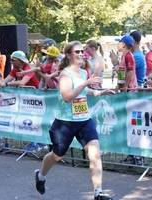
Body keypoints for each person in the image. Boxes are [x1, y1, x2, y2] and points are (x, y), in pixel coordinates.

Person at [34, 41, 113, 200]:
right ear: (69, 55)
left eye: (82, 51)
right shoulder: (65, 74)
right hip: (65, 123)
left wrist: (99, 93)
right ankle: (41, 175)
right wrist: (85, 83)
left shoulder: (83, 72)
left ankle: (98, 192)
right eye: (76, 51)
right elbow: (67, 96)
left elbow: (84, 91)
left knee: (94, 153)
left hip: (84, 120)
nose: (80, 54)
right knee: (57, 155)